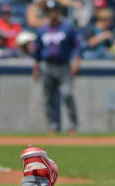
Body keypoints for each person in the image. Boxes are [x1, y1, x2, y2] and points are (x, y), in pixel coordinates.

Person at [33, 0, 81, 133]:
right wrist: (36, 66)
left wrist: (76, 61)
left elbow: (77, 46)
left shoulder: (67, 28)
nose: (52, 14)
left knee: (67, 94)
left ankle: (73, 125)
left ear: (58, 12)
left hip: (64, 66)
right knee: (48, 98)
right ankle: (52, 125)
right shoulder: (42, 30)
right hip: (48, 66)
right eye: (49, 11)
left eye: (54, 11)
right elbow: (37, 51)